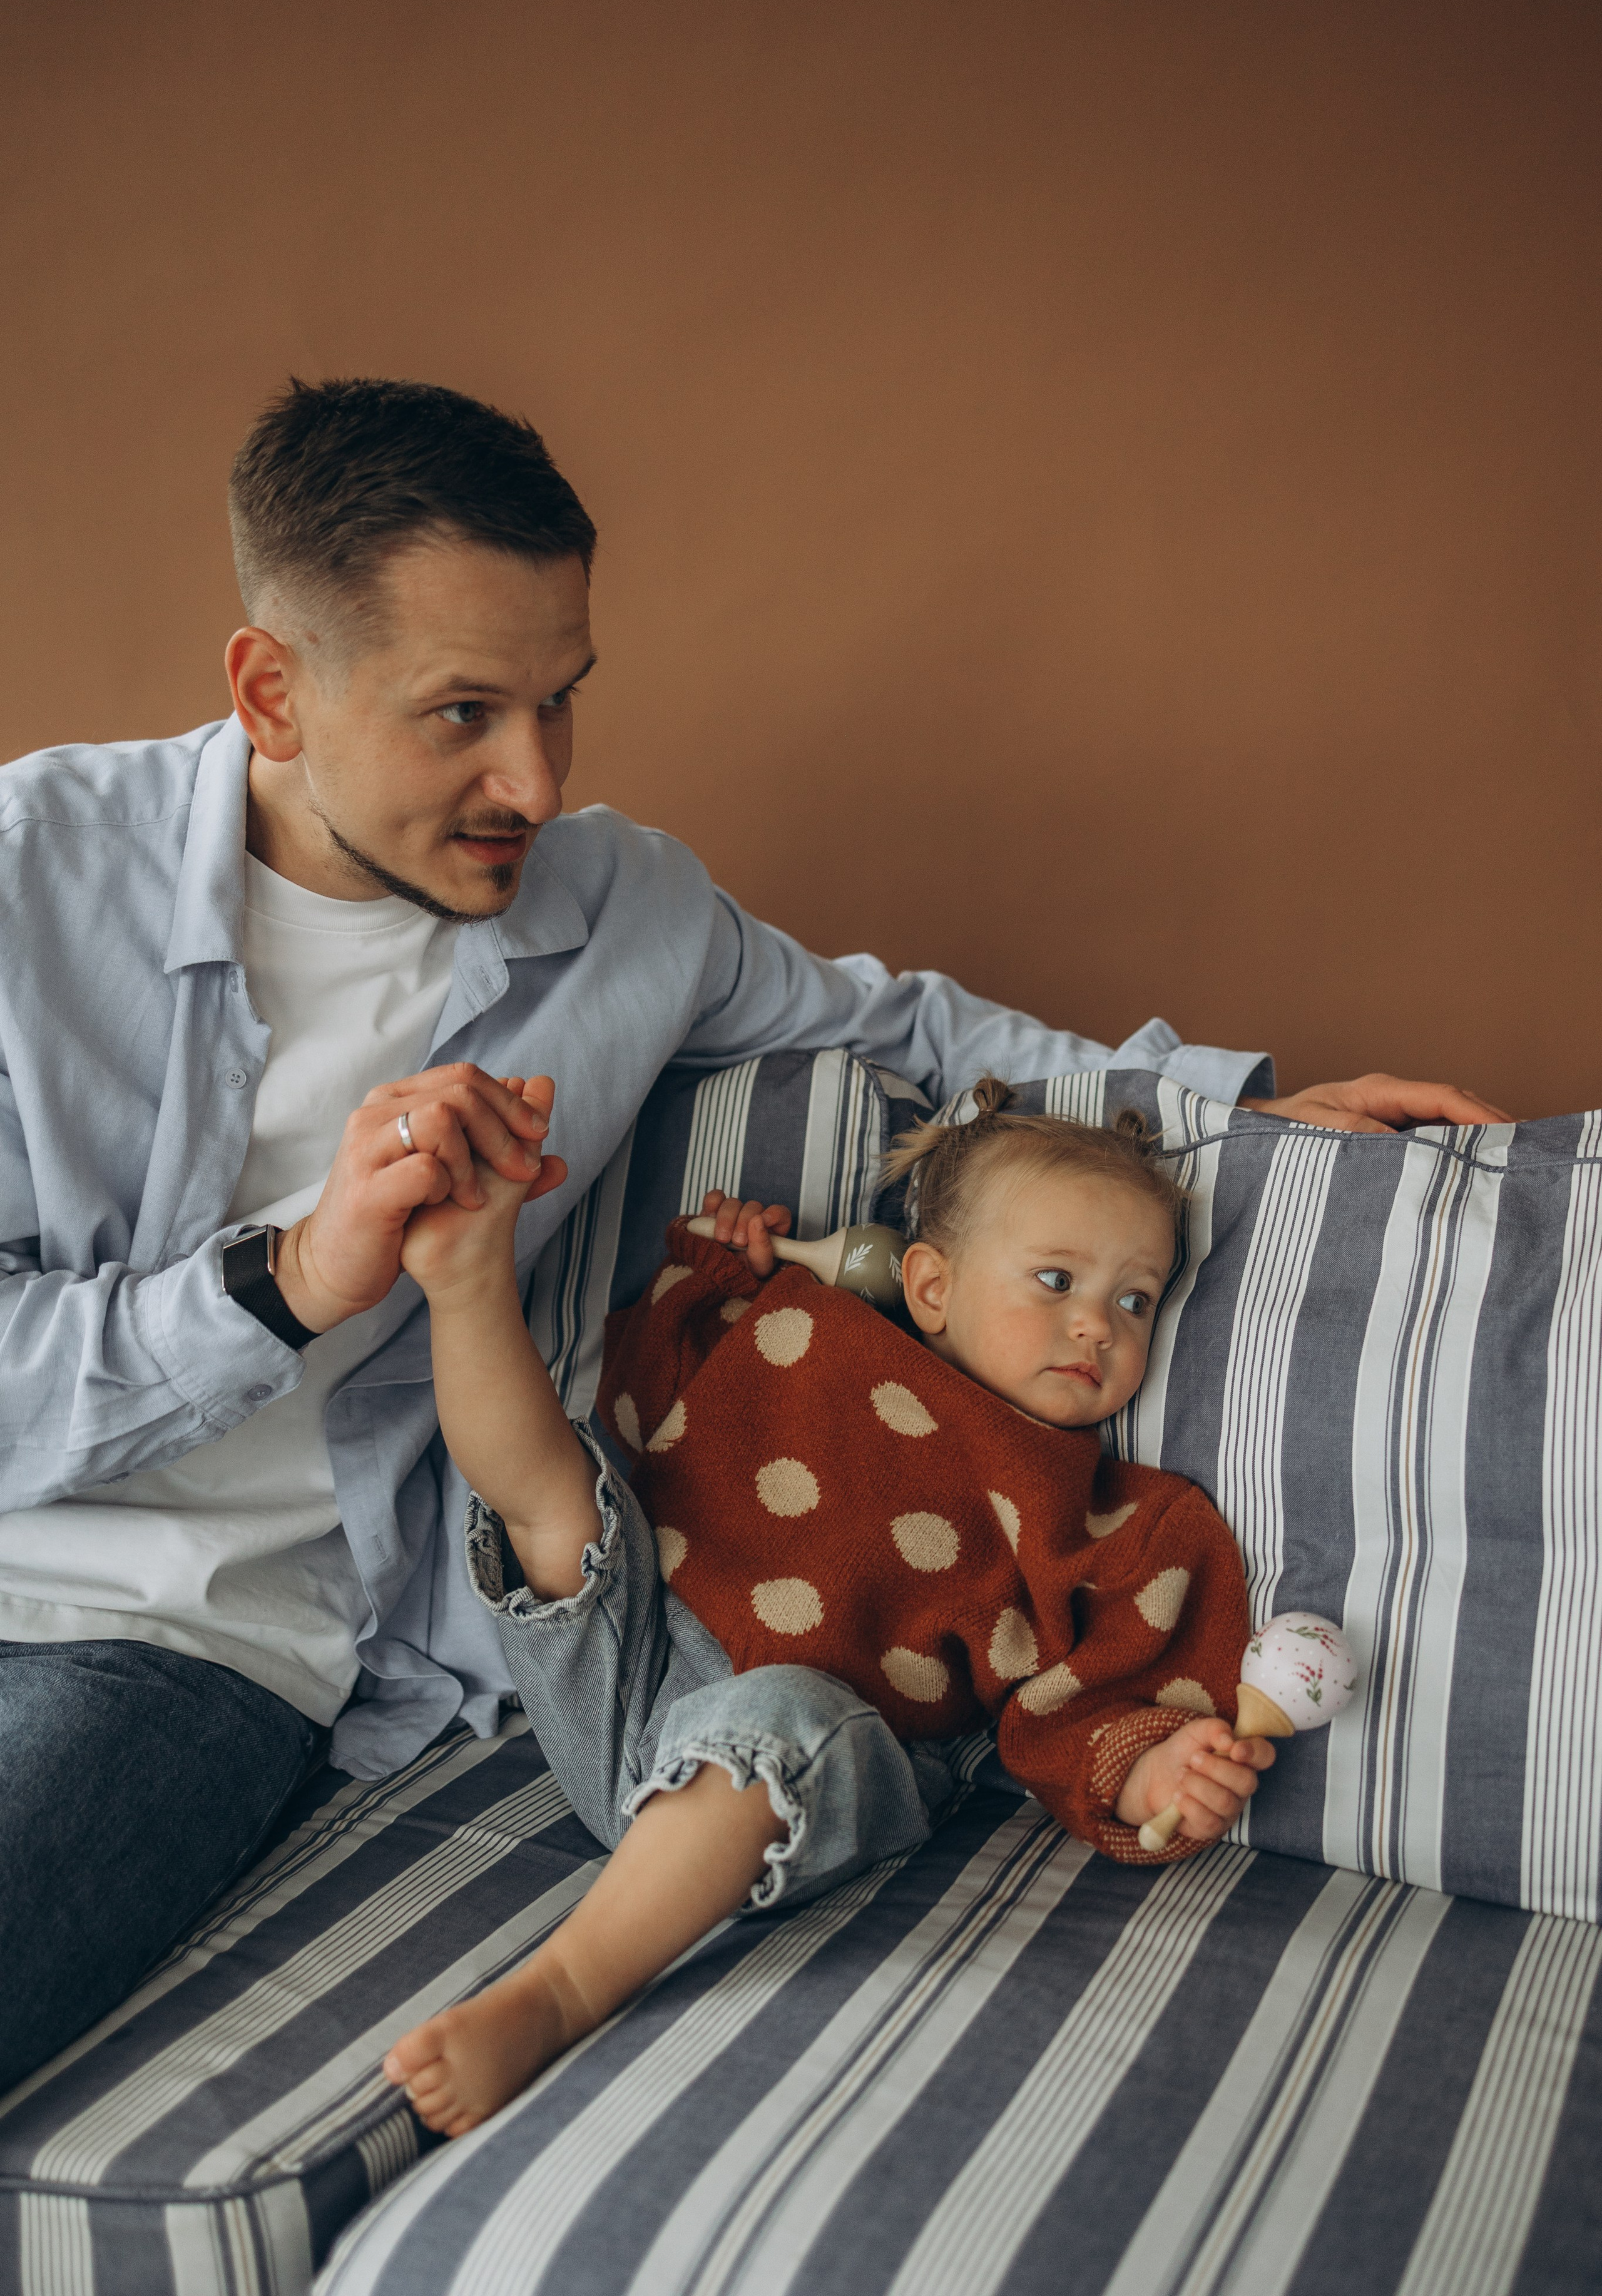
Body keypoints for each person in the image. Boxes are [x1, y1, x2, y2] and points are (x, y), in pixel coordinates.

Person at [0, 375, 1506, 2093]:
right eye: (463, 714)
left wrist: (1240, 1110)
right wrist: (288, 1284)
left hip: (181, 1633)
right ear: (273, 690)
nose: (534, 778)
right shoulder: (29, 884)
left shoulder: (622, 908)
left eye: (564, 701)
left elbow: (925, 1038)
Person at [382, 1077, 1271, 2135]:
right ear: (930, 1285)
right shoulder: (811, 1325)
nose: (1097, 1327)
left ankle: (561, 1990)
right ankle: (464, 1285)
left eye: (1136, 1300)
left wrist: (1155, 1767)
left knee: (775, 1719)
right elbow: (650, 1395)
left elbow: (1084, 1698)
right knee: (558, 1504)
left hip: (828, 1749)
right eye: (1055, 1278)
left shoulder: (1099, 1510)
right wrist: (715, 1273)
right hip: (636, 1666)